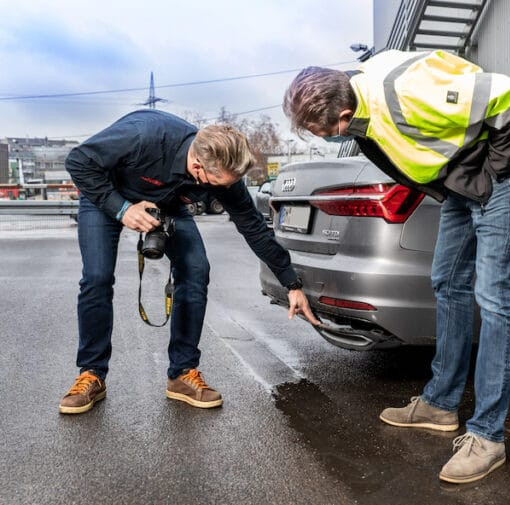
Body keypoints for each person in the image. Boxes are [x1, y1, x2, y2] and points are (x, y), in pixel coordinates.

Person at [283, 49, 510, 483]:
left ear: (343, 113)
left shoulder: (407, 95)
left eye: (320, 130)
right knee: (447, 281)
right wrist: (465, 183)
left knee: (494, 293)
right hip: (466, 175)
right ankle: (441, 404)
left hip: (504, 172)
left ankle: (488, 436)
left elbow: (509, 96)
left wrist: (494, 173)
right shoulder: (359, 98)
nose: (320, 137)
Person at [60, 109, 319, 415]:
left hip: (167, 203)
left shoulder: (225, 172)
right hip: (105, 194)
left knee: (196, 269)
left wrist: (291, 283)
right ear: (198, 165)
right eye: (218, 184)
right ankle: (91, 374)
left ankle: (182, 374)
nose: (224, 190)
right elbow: (78, 161)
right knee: (97, 277)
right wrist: (122, 209)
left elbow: (253, 228)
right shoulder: (143, 136)